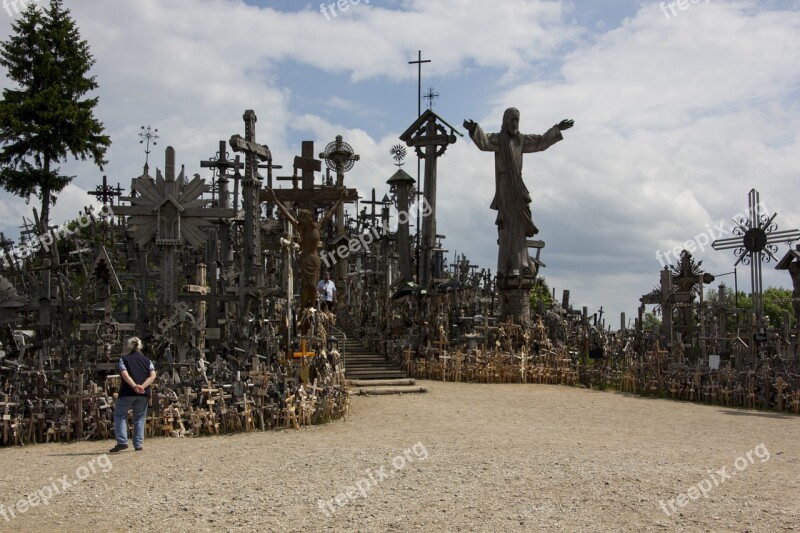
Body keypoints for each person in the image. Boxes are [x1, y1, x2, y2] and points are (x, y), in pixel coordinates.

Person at [464, 108, 573, 278]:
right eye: (512, 120)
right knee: (508, 224)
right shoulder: (499, 140)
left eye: (517, 120)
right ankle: (507, 264)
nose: (515, 123)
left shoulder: (521, 140)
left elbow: (540, 142)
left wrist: (557, 128)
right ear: (505, 121)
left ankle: (520, 263)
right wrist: (474, 129)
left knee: (519, 226)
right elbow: (484, 142)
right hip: (506, 187)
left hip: (518, 187)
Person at [111, 337, 156, 452]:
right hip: (143, 394)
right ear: (140, 346)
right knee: (139, 418)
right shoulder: (147, 360)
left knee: (120, 415)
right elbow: (153, 376)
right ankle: (138, 444)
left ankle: (122, 441)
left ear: (129, 346)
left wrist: (134, 386)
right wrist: (142, 386)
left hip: (127, 392)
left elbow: (125, 375)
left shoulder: (124, 359)